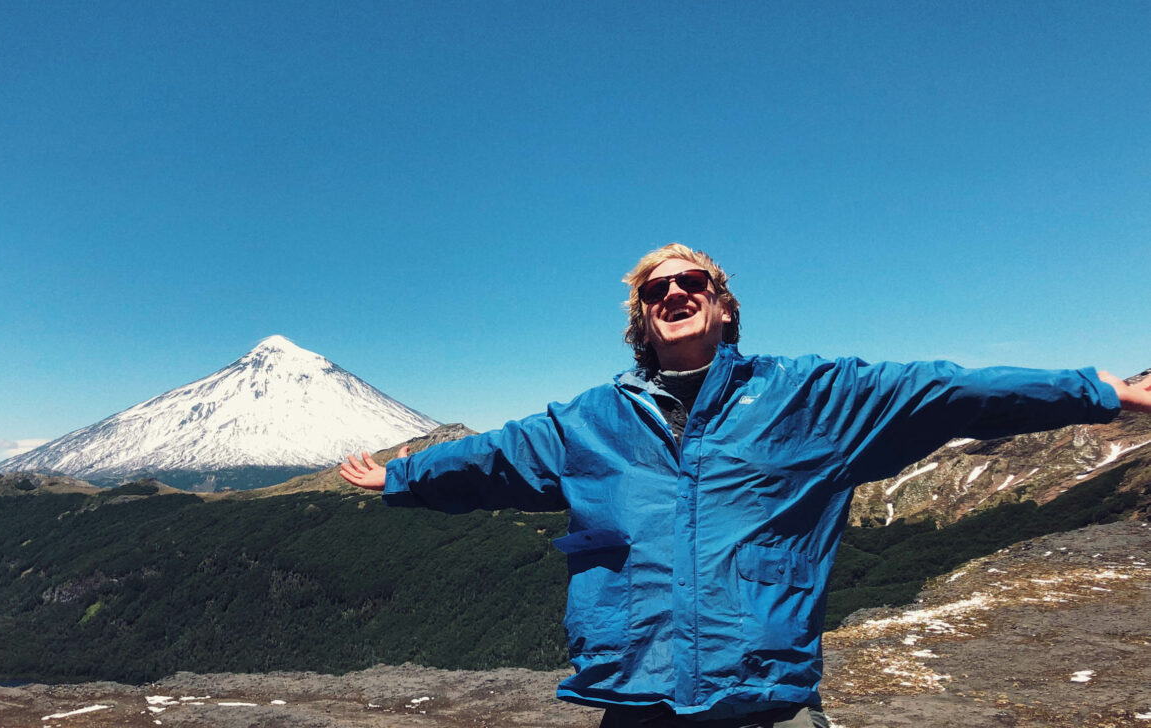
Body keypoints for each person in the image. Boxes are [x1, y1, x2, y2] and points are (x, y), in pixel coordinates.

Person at [340, 243, 1151, 728]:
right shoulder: (587, 421)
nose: (675, 293)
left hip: (762, 696)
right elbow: (493, 458)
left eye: (693, 283)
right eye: (655, 291)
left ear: (725, 308)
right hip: (634, 695)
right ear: (640, 324)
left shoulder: (813, 396)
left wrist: (1099, 392)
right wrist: (401, 476)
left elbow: (945, 390)